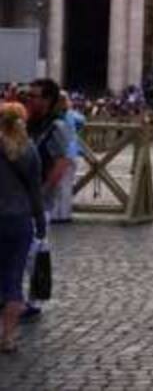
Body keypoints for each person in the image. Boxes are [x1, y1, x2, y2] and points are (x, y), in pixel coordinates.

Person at [22, 79, 69, 321]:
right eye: (28, 95)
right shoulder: (28, 123)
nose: (29, 99)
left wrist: (42, 192)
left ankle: (35, 300)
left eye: (35, 95)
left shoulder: (57, 126)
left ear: (48, 100)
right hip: (18, 197)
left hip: (39, 199)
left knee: (34, 250)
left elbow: (61, 162)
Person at [0, 103, 45, 355]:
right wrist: (40, 223)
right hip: (19, 220)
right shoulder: (29, 151)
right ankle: (7, 338)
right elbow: (35, 192)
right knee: (14, 279)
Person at [51, 93, 85, 223]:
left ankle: (54, 214)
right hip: (70, 152)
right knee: (67, 185)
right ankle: (65, 214)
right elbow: (82, 120)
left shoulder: (51, 114)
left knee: (55, 184)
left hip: (56, 152)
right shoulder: (71, 114)